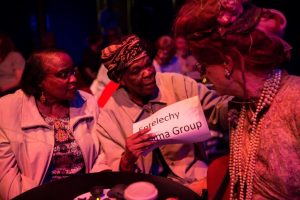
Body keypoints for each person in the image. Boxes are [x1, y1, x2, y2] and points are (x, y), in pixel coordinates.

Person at [174, 0, 300, 199]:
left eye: (202, 66)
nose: (204, 76)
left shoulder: (295, 102)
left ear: (228, 63)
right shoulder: (241, 107)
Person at [95, 34, 229, 196]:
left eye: (148, 64)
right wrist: (127, 159)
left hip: (195, 179)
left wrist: (234, 94)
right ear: (120, 79)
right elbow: (116, 176)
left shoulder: (179, 84)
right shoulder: (109, 114)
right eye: (136, 71)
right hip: (143, 191)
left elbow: (219, 111)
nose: (148, 73)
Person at [0, 49, 109, 199]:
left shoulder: (86, 101)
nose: (73, 79)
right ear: (39, 81)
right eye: (64, 74)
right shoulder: (7, 110)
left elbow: (102, 153)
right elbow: (7, 179)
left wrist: (94, 188)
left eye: (73, 71)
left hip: (87, 193)